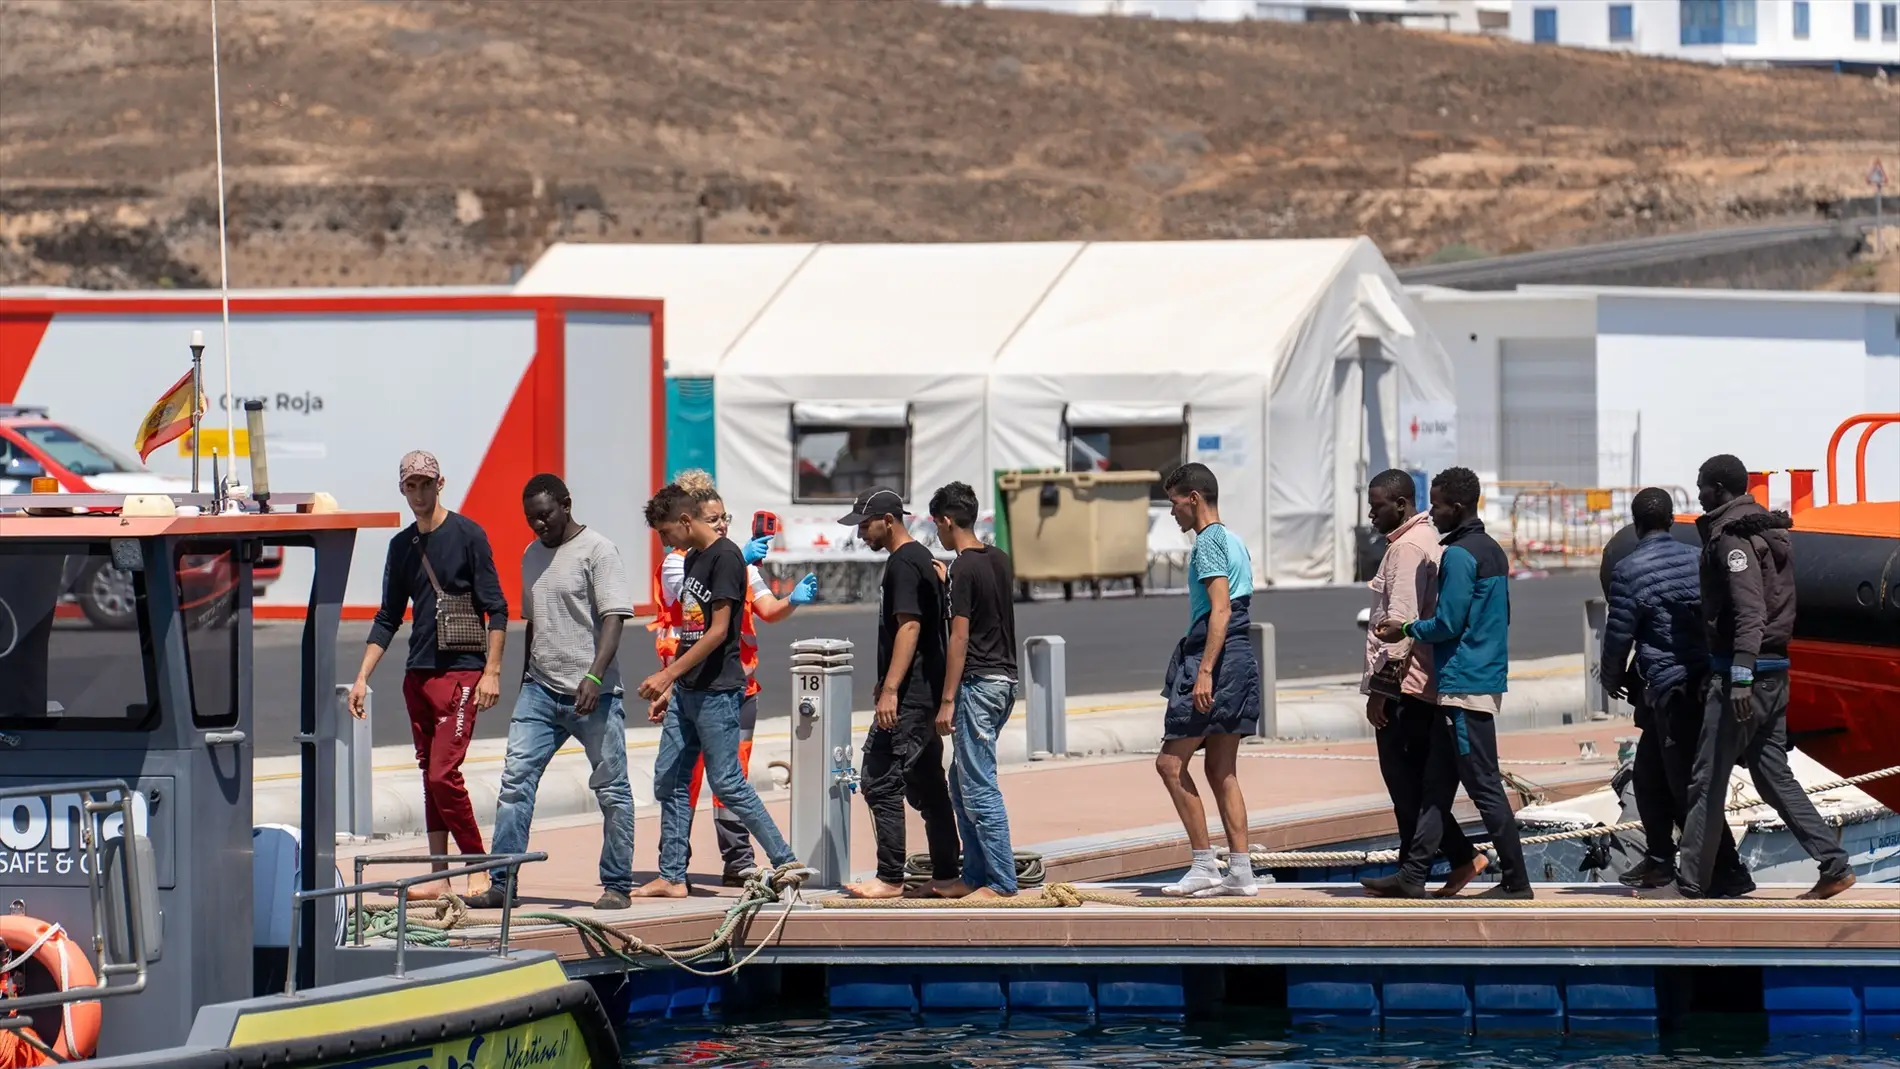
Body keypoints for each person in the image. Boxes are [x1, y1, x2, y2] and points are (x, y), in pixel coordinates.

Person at [1675, 455, 1855, 900]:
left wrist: (1738, 676)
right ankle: (1834, 864)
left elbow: (1750, 609)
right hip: (1774, 675)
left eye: (1702, 486)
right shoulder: (1767, 531)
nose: (1698, 494)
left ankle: (1691, 882)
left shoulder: (1733, 540)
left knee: (1707, 778)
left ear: (1719, 487)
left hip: (1747, 680)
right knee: (1773, 774)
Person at [467, 474, 635, 911]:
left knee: (612, 790)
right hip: (540, 691)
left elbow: (615, 618)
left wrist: (595, 678)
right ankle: (503, 882)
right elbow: (534, 621)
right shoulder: (530, 556)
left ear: (566, 504)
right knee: (514, 784)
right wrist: (524, 678)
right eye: (530, 519)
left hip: (593, 693)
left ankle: (617, 883)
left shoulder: (599, 550)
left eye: (545, 515)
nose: (538, 526)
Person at [348, 450, 508, 901]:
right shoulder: (401, 546)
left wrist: (491, 672)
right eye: (410, 485)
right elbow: (387, 616)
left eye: (425, 483)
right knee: (428, 776)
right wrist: (362, 677)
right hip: (417, 674)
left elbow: (496, 608)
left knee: (443, 774)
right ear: (402, 489)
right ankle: (441, 874)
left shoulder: (468, 535)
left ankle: (479, 866)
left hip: (461, 673)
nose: (418, 492)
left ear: (441, 483)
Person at [1371, 466, 1532, 899]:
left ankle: (1517, 881)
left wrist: (1403, 631)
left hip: (1464, 686)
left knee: (1483, 785)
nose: (1432, 512)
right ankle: (1414, 874)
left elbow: (1447, 623)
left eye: (1438, 504)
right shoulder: (1491, 550)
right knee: (1435, 786)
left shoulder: (1460, 555)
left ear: (1457, 507)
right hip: (1473, 678)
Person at [654, 472, 817, 886]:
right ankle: (673, 872)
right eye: (715, 517)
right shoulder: (682, 560)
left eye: (724, 516)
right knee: (675, 779)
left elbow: (745, 617)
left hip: (729, 687)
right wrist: (671, 680)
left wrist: (791, 599)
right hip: (690, 685)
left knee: (728, 780)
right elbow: (690, 614)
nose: (723, 523)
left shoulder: (728, 558)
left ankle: (761, 859)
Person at [1599, 488, 1753, 895]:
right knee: (1648, 776)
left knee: (1686, 784)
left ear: (1636, 525)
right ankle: (1660, 859)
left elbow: (1619, 635)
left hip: (1671, 689)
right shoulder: (1697, 558)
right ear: (1671, 520)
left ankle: (1728, 868)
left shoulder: (1629, 571)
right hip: (1701, 682)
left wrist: (1610, 677)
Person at [1356, 468, 1483, 899]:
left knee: (1403, 782)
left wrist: (1382, 689)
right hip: (1424, 684)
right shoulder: (1426, 539)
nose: (1370, 515)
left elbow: (1401, 625)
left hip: (1406, 687)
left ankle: (1439, 864)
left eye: (1376, 507)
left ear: (1400, 504)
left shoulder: (1407, 549)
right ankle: (1439, 863)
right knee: (1416, 783)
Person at [836, 486, 961, 900]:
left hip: (910, 696)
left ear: (889, 521)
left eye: (866, 526)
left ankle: (889, 876)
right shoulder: (923, 559)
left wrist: (891, 688)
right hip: (922, 690)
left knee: (878, 777)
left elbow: (910, 627)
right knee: (927, 781)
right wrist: (887, 678)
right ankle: (946, 874)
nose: (861, 535)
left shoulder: (904, 564)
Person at [1155, 463, 1261, 898]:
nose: (1173, 513)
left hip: (1215, 656)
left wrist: (1203, 672)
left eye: (1174, 502)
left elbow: (1221, 609)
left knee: (1169, 763)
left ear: (1193, 498)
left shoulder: (1209, 543)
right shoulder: (1234, 539)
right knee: (1221, 769)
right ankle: (1241, 871)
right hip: (1239, 657)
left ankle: (1204, 863)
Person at [926, 481, 1020, 901]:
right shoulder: (996, 559)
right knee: (960, 777)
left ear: (947, 521)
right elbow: (986, 604)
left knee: (978, 783)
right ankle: (975, 876)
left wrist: (947, 700)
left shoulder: (963, 568)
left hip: (978, 684)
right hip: (1004, 682)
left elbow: (960, 637)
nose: (938, 535)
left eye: (938, 526)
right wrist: (951, 581)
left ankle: (1000, 882)